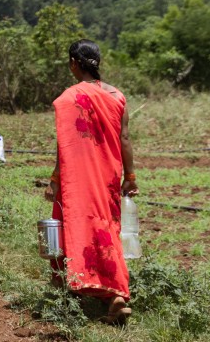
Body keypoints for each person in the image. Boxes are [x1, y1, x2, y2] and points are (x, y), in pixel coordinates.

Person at [43, 39, 139, 324]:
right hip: (109, 176)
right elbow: (125, 139)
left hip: (78, 178)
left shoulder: (70, 97)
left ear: (74, 62)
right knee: (107, 228)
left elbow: (67, 145)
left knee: (72, 223)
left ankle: (65, 289)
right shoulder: (117, 96)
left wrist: (55, 179)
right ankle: (116, 295)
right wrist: (130, 176)